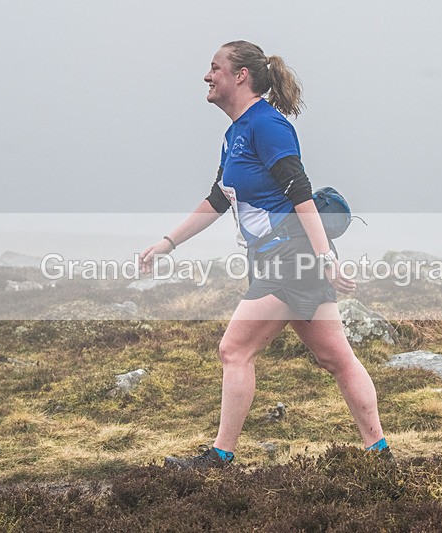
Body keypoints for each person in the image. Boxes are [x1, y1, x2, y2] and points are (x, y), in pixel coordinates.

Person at [139, 40, 389, 468]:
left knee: (233, 350)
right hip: (285, 260)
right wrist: (168, 243)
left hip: (291, 257)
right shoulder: (235, 133)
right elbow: (219, 198)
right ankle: (379, 453)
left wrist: (325, 256)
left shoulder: (267, 125)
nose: (207, 75)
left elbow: (299, 191)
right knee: (337, 358)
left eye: (215, 67)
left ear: (241, 76)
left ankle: (220, 457)